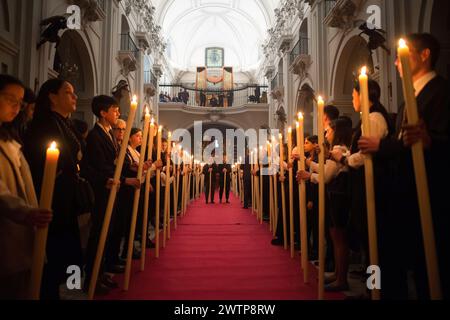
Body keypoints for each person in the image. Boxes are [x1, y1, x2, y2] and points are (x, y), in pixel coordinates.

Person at [359, 33, 449, 299]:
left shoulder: (441, 92)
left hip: (434, 196)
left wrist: (428, 141)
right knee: (419, 271)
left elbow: (428, 142)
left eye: (402, 55)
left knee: (434, 273)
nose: (396, 63)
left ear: (424, 55)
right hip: (406, 196)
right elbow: (405, 145)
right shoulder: (407, 99)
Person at [24, 79, 84, 299]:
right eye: (68, 92)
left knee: (72, 253)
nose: (74, 96)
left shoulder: (65, 122)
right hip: (52, 199)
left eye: (75, 92)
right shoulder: (44, 124)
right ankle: (56, 293)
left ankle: (73, 290)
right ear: (52, 96)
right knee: (53, 254)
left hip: (66, 199)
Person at [0, 74, 52, 299]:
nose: (17, 107)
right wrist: (25, 212)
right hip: (7, 230)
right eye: (11, 99)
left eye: (19, 103)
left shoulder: (10, 139)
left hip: (23, 230)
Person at [298, 116, 353, 292]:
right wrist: (310, 165)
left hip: (339, 197)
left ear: (337, 132)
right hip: (335, 195)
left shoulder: (339, 149)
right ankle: (338, 273)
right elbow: (324, 170)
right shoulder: (337, 149)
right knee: (335, 236)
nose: (326, 133)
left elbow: (326, 176)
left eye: (328, 130)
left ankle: (341, 277)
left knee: (338, 239)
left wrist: (309, 175)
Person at [81, 95, 126, 295]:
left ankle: (100, 272)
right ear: (103, 113)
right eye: (114, 110)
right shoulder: (95, 135)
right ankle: (91, 277)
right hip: (102, 190)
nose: (118, 113)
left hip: (111, 188)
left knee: (107, 232)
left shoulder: (107, 133)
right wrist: (109, 174)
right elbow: (94, 166)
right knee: (98, 233)